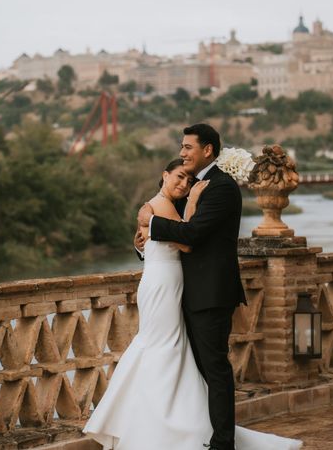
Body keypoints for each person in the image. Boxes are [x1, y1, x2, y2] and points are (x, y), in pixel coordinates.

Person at [83, 126, 301, 450]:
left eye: (188, 147)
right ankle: (191, 432)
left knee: (214, 370)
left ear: (208, 150)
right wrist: (143, 239)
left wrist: (150, 222)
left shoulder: (221, 188)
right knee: (189, 369)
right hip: (179, 292)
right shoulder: (195, 186)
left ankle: (223, 442)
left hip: (210, 295)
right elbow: (172, 234)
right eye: (181, 149)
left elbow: (192, 234)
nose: (183, 153)